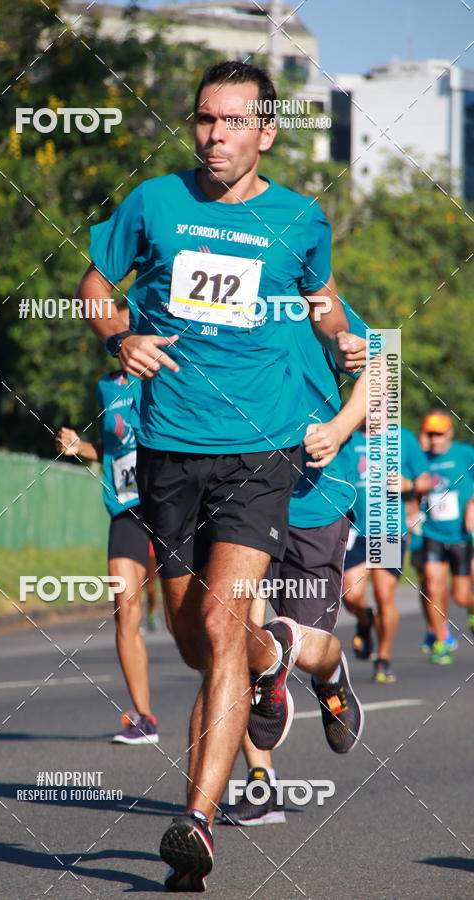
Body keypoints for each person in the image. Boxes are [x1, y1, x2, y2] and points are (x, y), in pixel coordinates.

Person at [82, 60, 364, 891]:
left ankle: (196, 823)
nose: (216, 135)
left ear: (266, 132)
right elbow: (97, 283)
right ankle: (284, 661)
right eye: (206, 119)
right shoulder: (155, 203)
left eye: (235, 121)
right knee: (197, 640)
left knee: (225, 609)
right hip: (169, 445)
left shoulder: (298, 219)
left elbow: (325, 302)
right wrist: (117, 337)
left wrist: (344, 342)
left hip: (260, 449)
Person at [223, 298, 367, 827]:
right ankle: (260, 783)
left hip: (315, 502)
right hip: (237, 500)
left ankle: (328, 676)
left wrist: (341, 425)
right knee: (233, 637)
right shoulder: (218, 293)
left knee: (301, 644)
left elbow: (384, 369)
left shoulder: (318, 302)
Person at [56, 352, 159, 745]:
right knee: (125, 608)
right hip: (126, 506)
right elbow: (116, 448)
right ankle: (145, 718)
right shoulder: (105, 386)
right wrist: (82, 448)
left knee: (195, 619)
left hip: (171, 506)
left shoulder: (167, 372)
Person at [343, 424, 431, 682]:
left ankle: (383, 658)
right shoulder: (347, 436)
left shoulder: (403, 437)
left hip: (387, 528)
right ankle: (364, 619)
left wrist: (409, 484)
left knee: (384, 595)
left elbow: (425, 480)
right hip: (354, 529)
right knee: (350, 595)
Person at [419, 410, 474, 664]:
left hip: (461, 536)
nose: (435, 439)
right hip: (432, 533)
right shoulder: (420, 458)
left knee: (461, 596)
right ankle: (440, 638)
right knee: (432, 583)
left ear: (449, 433)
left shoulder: (464, 454)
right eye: (430, 434)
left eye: (439, 434)